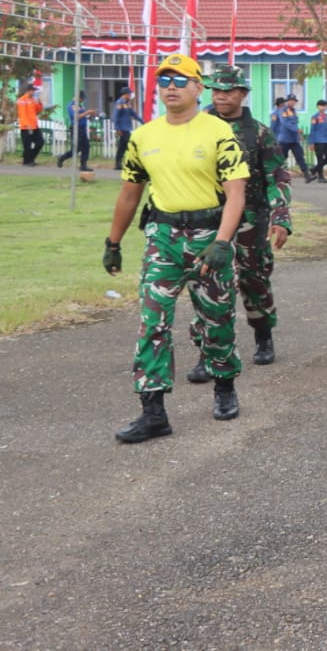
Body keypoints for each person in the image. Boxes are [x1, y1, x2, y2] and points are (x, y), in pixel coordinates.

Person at [103, 53, 249, 443]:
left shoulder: (218, 132)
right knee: (152, 323)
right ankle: (153, 412)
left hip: (208, 239)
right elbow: (130, 193)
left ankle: (224, 386)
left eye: (180, 79)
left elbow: (236, 194)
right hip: (163, 239)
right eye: (164, 79)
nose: (171, 86)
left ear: (198, 88)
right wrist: (113, 243)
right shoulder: (144, 136)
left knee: (216, 320)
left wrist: (222, 242)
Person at [186, 64, 292, 379]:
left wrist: (281, 217)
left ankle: (263, 334)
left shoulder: (258, 132)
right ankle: (209, 352)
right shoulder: (194, 127)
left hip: (250, 219)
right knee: (208, 282)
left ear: (242, 94)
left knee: (253, 278)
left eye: (228, 90)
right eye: (216, 90)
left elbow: (277, 176)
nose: (221, 96)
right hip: (208, 219)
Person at [57, 90, 96, 170]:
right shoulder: (71, 105)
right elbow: (76, 116)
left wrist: (90, 116)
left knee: (86, 147)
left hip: (82, 129)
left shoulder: (80, 106)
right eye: (82, 98)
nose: (83, 100)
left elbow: (83, 116)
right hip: (76, 129)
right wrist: (87, 112)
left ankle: (83, 165)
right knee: (76, 149)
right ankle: (62, 158)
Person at [276, 93, 310, 181]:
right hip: (285, 139)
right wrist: (296, 130)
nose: (293, 103)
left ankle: (307, 175)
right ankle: (275, 175)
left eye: (294, 101)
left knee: (300, 156)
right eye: (291, 101)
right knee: (282, 158)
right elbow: (285, 123)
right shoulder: (283, 110)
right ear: (288, 101)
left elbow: (295, 123)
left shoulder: (294, 111)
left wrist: (298, 135)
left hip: (294, 140)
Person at [111, 90, 142, 170]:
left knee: (122, 147)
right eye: (129, 94)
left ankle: (118, 164)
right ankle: (133, 163)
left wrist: (142, 121)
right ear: (125, 94)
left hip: (127, 128)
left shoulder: (126, 103)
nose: (130, 96)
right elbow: (116, 116)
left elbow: (133, 114)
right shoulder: (119, 103)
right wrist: (117, 128)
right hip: (122, 128)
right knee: (131, 145)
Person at [17, 83, 44, 166]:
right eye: (33, 91)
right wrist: (27, 125)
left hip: (34, 126)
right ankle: (27, 162)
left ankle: (30, 158)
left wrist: (40, 103)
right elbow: (23, 114)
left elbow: (38, 111)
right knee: (27, 146)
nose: (34, 92)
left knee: (40, 142)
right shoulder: (22, 100)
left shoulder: (33, 100)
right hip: (26, 127)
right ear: (28, 91)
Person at [308, 99, 327, 183]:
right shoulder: (315, 117)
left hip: (326, 140)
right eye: (321, 106)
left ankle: (314, 169)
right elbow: (312, 129)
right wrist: (311, 142)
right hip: (318, 140)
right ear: (318, 107)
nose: (323, 107)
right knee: (320, 159)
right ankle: (321, 177)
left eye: (324, 106)